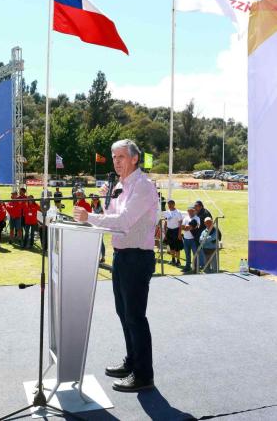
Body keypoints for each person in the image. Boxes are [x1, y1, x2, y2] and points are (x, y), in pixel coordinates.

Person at [74, 139, 158, 393]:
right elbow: (110, 220)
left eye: (121, 156)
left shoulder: (143, 187)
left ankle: (143, 375)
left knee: (135, 317)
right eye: (114, 157)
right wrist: (102, 207)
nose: (116, 162)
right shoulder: (121, 187)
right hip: (122, 256)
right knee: (124, 314)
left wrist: (90, 217)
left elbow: (122, 222)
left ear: (135, 158)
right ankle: (132, 362)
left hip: (137, 257)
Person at [164, 200, 183, 266]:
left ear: (174, 204)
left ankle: (178, 261)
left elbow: (180, 224)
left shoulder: (178, 212)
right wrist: (165, 233)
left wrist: (179, 234)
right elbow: (166, 223)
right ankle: (173, 260)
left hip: (176, 230)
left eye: (171, 204)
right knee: (171, 246)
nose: (169, 205)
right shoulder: (167, 212)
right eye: (168, 204)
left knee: (177, 247)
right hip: (169, 231)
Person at [181, 206, 200, 272]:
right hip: (186, 239)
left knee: (195, 254)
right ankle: (187, 267)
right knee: (187, 254)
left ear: (194, 211)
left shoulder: (197, 218)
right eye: (189, 211)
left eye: (192, 211)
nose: (190, 212)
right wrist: (187, 227)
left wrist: (187, 227)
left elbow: (190, 228)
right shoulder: (185, 218)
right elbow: (182, 227)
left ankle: (195, 268)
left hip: (193, 239)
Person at [91, 194, 105, 263]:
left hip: (100, 226)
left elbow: (102, 216)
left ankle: (103, 257)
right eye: (92, 199)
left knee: (101, 242)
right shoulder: (92, 206)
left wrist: (96, 217)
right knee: (96, 241)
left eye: (95, 199)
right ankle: (96, 257)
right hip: (95, 226)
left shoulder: (101, 207)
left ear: (98, 200)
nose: (93, 201)